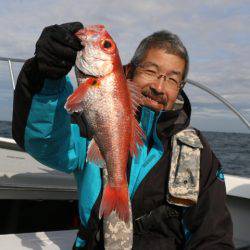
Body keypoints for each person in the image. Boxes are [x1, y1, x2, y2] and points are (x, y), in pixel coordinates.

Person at [12, 22, 235, 250]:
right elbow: (44, 144)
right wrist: (45, 79)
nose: (159, 87)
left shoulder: (197, 153)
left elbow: (213, 235)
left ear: (180, 87)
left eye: (172, 79)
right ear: (129, 70)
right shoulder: (88, 126)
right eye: (151, 71)